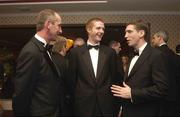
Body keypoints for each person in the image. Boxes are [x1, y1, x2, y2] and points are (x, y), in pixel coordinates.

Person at [111, 22, 169, 117]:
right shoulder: (132, 55)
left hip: (145, 111)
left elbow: (161, 89)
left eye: (129, 32)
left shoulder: (156, 55)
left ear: (141, 33)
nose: (125, 36)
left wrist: (132, 93)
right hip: (128, 111)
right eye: (126, 32)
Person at [12, 9, 63, 117]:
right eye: (59, 26)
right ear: (48, 24)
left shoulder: (43, 49)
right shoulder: (31, 51)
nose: (61, 30)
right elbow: (22, 93)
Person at [68, 18, 122, 117]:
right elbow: (71, 80)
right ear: (89, 29)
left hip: (106, 105)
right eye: (98, 28)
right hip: (83, 105)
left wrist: (117, 104)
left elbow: (115, 79)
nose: (101, 31)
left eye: (103, 29)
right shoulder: (75, 53)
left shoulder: (110, 53)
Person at [151, 31, 178, 116]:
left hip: (159, 94)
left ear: (160, 38)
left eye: (154, 38)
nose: (152, 40)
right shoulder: (173, 54)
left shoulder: (155, 53)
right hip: (173, 94)